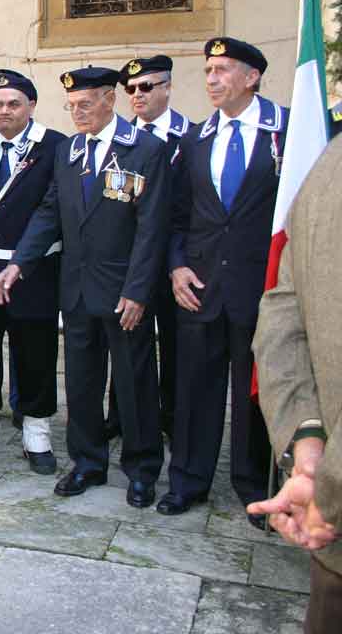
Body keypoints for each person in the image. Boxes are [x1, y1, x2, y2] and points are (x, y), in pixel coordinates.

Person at [0, 67, 169, 509]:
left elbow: (153, 228)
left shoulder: (145, 149)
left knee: (133, 384)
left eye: (85, 104)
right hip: (75, 290)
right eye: (71, 106)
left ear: (111, 100)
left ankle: (142, 468)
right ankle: (88, 462)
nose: (77, 113)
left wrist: (139, 290)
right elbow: (50, 212)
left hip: (124, 292)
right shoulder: (69, 151)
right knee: (82, 383)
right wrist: (19, 263)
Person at [159, 38, 283, 524]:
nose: (211, 78)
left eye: (223, 69)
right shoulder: (196, 138)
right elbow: (176, 214)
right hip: (201, 288)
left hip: (261, 288)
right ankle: (188, 480)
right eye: (208, 70)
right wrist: (176, 265)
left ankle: (255, 487)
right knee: (194, 389)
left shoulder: (286, 131)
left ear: (251, 77)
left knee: (255, 394)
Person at [247, 136, 342, 633]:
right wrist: (324, 481)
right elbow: (287, 309)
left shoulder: (326, 161)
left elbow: (281, 312)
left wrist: (310, 456)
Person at [0, 69, 65, 474]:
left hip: (34, 268)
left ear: (32, 107)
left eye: (13, 104)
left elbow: (53, 210)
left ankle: (36, 430)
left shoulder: (54, 146)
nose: (3, 111)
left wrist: (24, 260)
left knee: (35, 350)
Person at [107, 54, 190, 442]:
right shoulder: (118, 140)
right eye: (131, 89)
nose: (137, 95)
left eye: (146, 86)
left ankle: (171, 416)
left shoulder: (191, 137)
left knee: (175, 342)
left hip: (176, 259)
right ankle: (120, 416)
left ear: (167, 87)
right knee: (124, 342)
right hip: (131, 258)